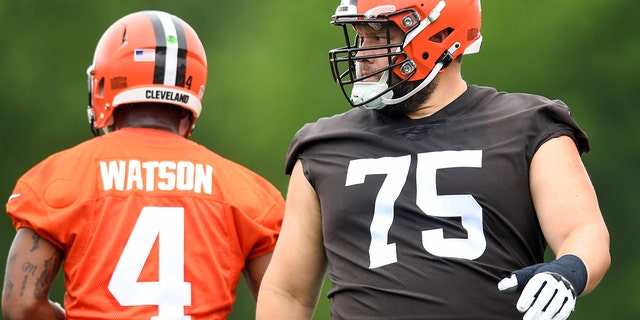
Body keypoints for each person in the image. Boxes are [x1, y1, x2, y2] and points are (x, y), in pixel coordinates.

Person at [256, 1, 610, 319]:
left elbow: (583, 231)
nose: (363, 54)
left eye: (379, 38)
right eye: (362, 37)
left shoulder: (527, 125)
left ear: (440, 36)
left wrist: (568, 270)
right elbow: (287, 291)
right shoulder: (322, 144)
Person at [2, 10, 284, 320]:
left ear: (104, 83)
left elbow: (22, 305)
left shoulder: (62, 177)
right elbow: (283, 305)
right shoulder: (246, 192)